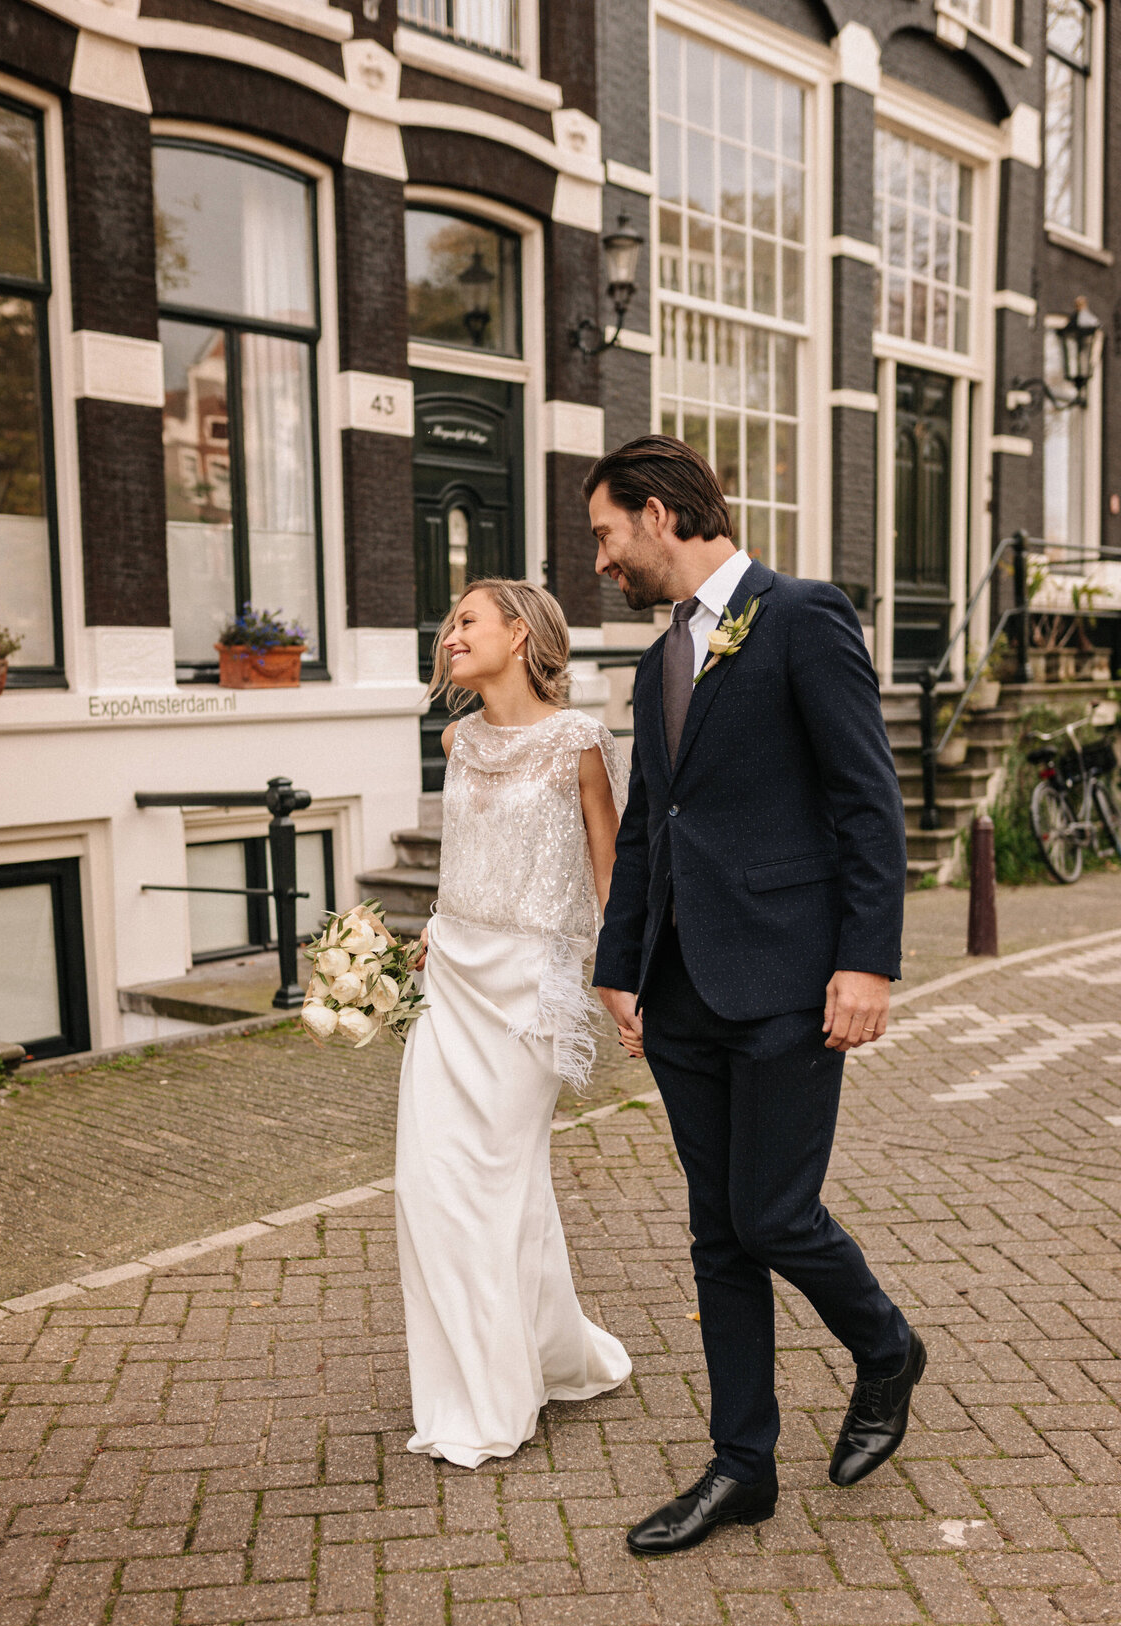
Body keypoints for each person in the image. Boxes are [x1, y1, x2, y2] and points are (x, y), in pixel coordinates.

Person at [585, 435, 923, 1554]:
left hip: (786, 975)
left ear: (659, 514)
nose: (601, 561)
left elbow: (868, 803)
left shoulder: (802, 617)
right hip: (679, 988)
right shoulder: (657, 660)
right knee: (718, 1236)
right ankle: (744, 1468)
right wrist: (621, 963)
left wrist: (867, 961)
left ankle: (885, 1348)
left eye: (605, 534)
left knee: (774, 1214)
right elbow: (650, 823)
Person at [394, 577, 632, 1468]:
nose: (450, 633)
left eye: (466, 620)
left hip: (529, 988)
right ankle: (515, 1372)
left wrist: (624, 984)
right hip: (451, 980)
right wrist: (428, 934)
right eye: (448, 621)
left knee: (494, 1186)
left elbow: (612, 877)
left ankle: (507, 1388)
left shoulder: (579, 742)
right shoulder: (456, 740)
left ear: (521, 635)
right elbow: (465, 857)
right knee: (429, 1184)